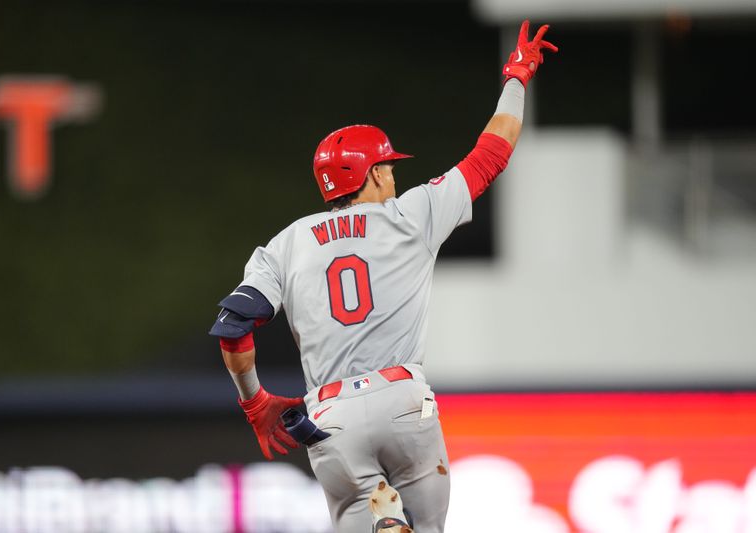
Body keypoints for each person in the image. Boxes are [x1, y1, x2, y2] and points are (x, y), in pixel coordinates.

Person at [209, 20, 557, 533]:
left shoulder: (286, 243)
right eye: (388, 167)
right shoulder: (412, 215)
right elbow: (493, 151)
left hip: (330, 418)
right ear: (371, 174)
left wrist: (255, 402)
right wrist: (517, 78)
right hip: (403, 402)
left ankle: (385, 520)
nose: (394, 175)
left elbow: (234, 324)